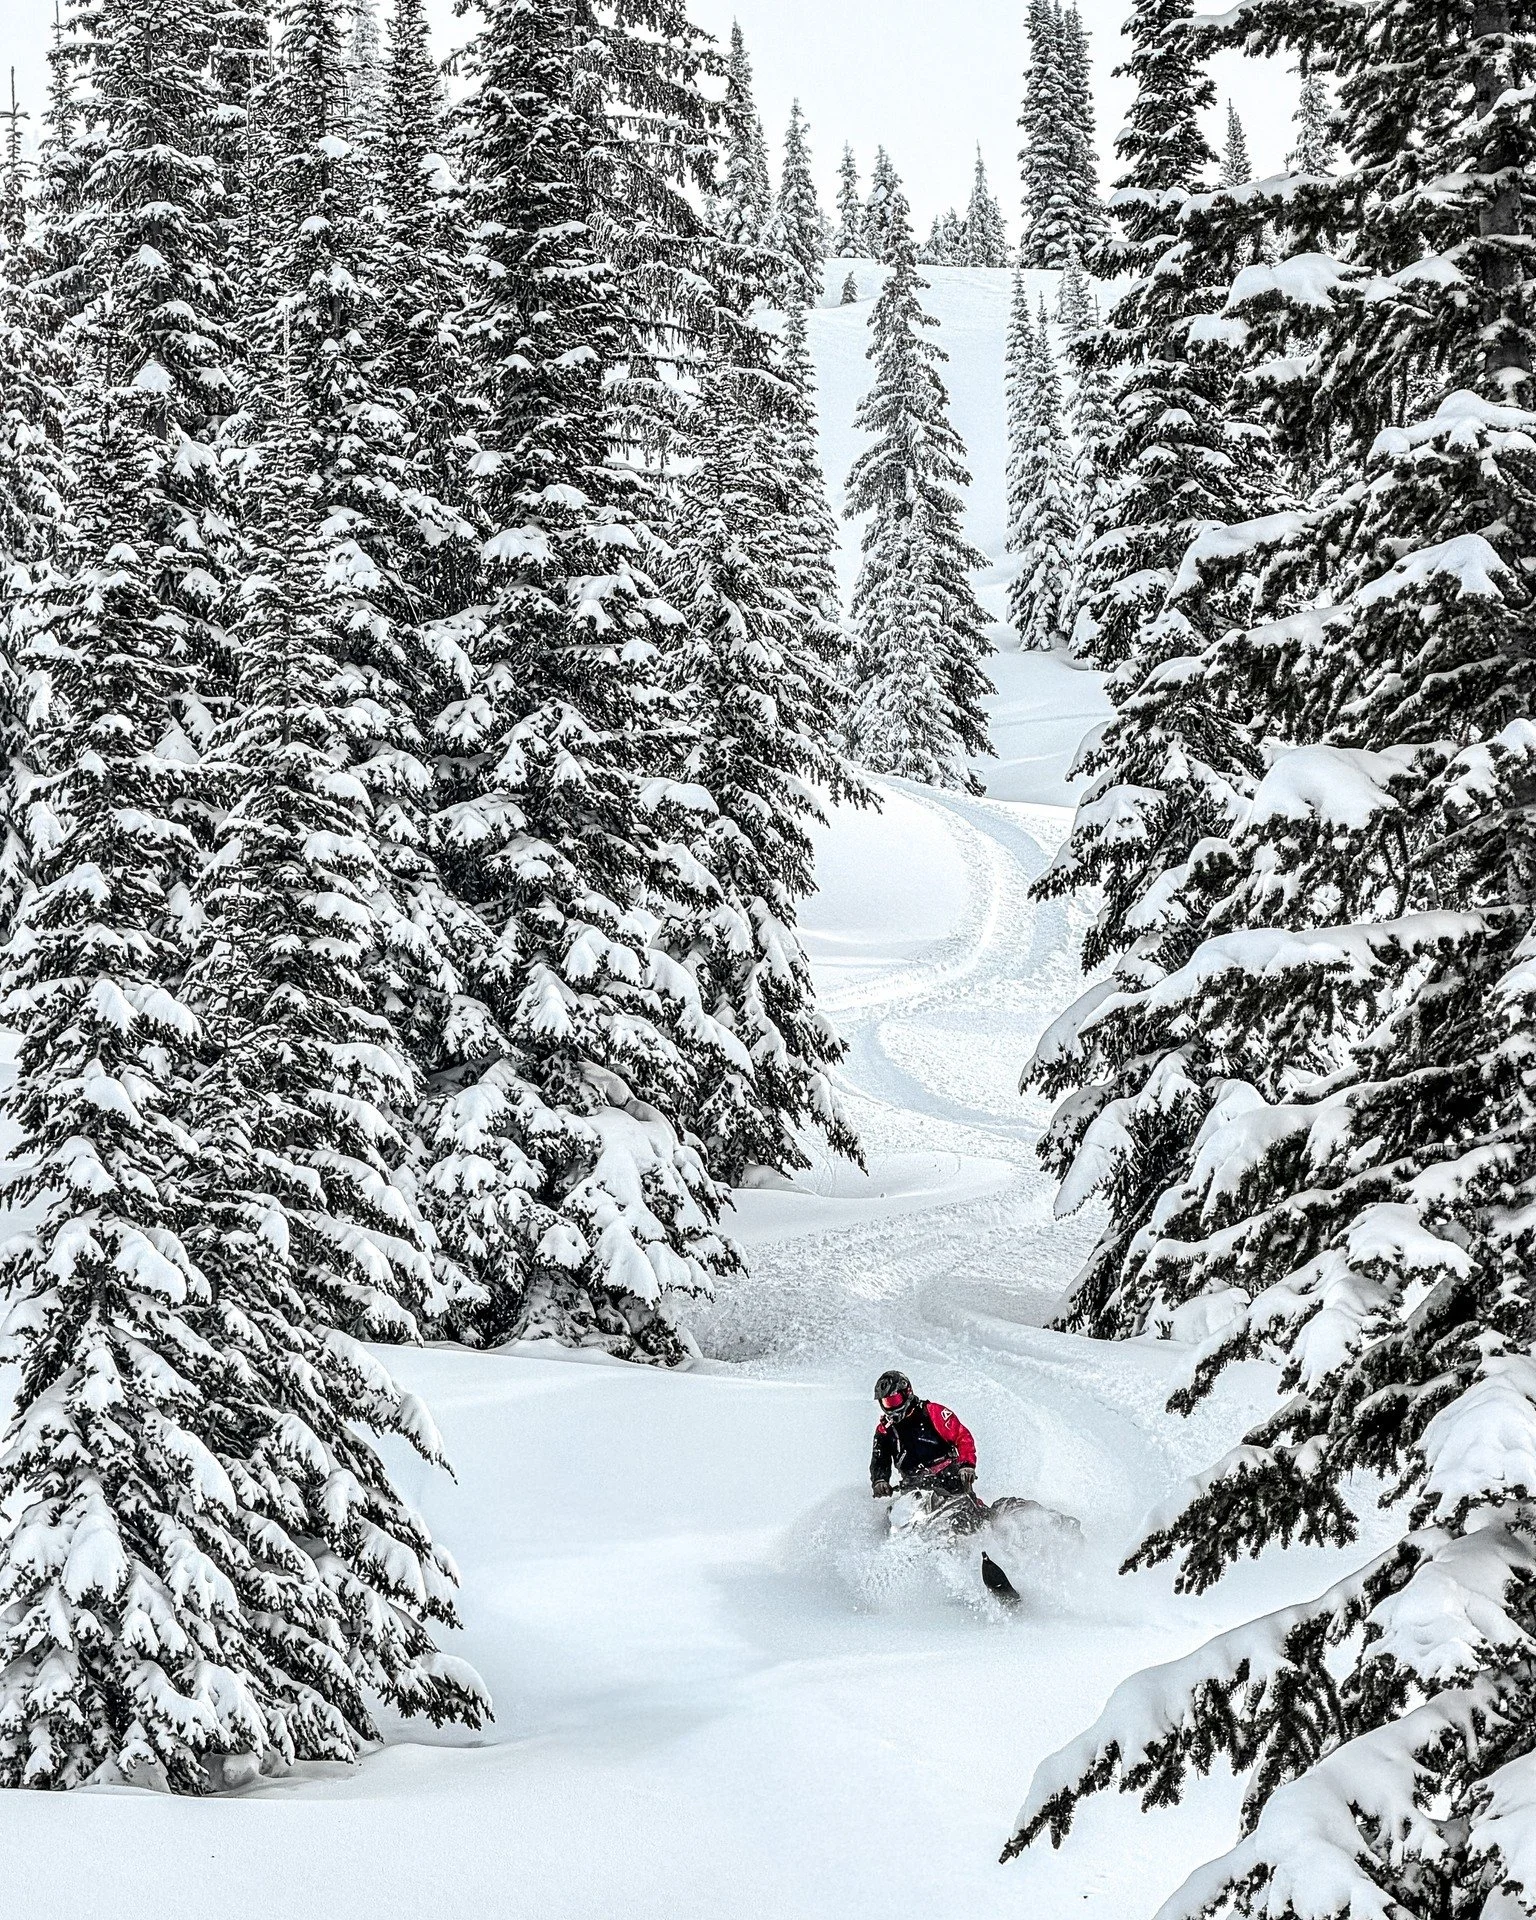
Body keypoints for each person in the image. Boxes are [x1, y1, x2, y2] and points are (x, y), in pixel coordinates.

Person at [869, 1370, 978, 1499]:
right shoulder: (885, 1430)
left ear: (907, 1393)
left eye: (894, 1401)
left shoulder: (933, 1412)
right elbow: (880, 1459)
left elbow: (962, 1436)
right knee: (895, 1514)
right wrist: (880, 1480)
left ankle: (989, 1516)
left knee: (966, 1510)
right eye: (887, 1402)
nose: (891, 1407)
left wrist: (966, 1465)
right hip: (914, 1489)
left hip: (949, 1478)